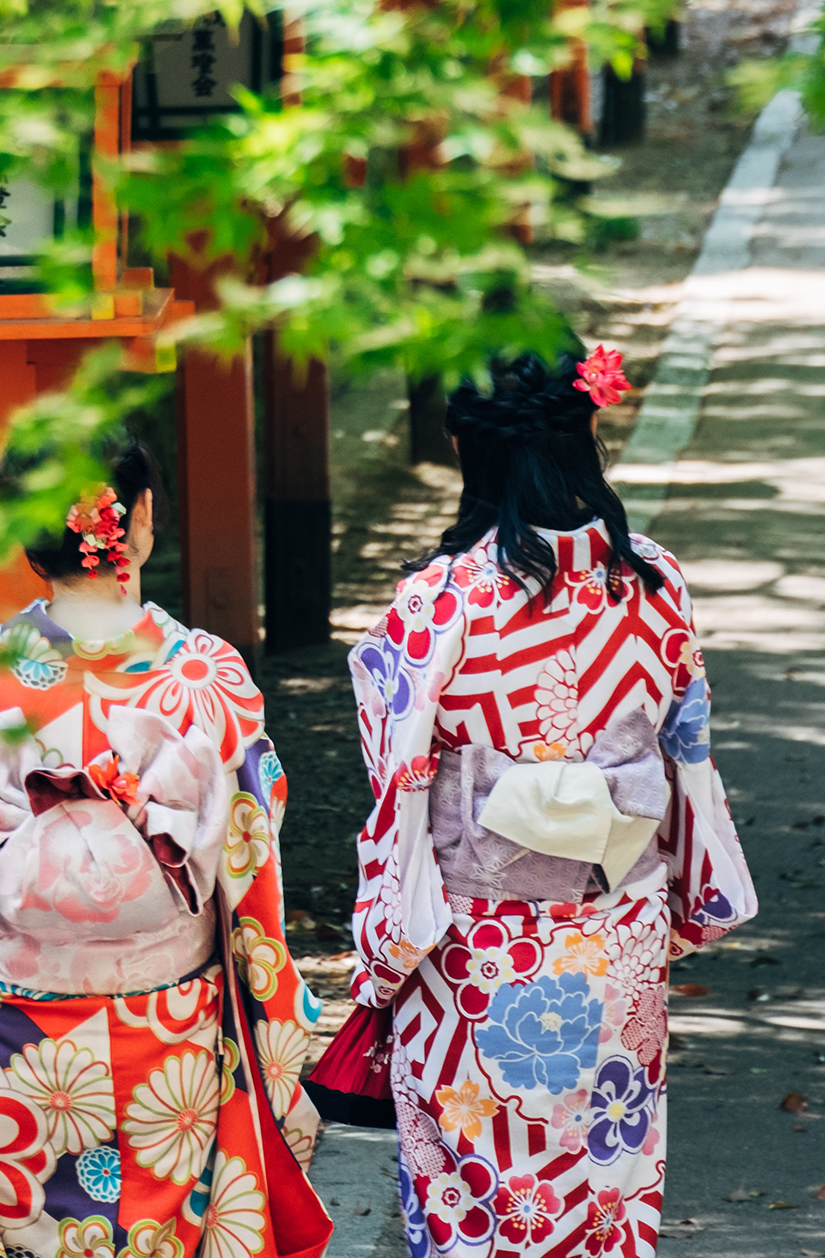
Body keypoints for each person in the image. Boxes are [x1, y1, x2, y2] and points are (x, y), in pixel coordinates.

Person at [0, 440, 331, 1258]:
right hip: (171, 1030)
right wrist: (272, 1019)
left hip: (13, 1034)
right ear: (139, 519)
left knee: (23, 1227)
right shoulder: (206, 675)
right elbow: (249, 862)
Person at [346, 347, 756, 1258]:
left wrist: (382, 952)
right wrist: (692, 904)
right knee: (604, 1189)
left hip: (473, 951)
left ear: (465, 449)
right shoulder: (653, 584)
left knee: (475, 1205)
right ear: (589, 431)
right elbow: (686, 758)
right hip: (616, 939)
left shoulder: (435, 603)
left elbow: (398, 791)